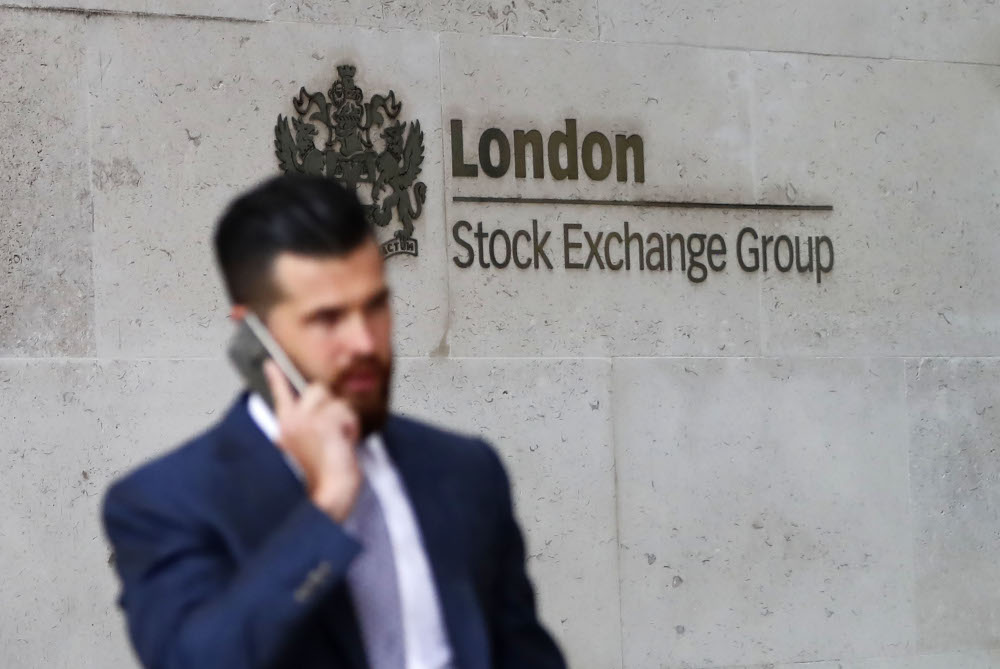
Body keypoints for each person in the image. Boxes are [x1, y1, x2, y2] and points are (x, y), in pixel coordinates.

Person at [101, 175, 567, 669]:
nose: (364, 342)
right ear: (254, 334)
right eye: (327, 319)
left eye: (375, 307)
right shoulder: (166, 502)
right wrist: (326, 509)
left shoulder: (465, 469)